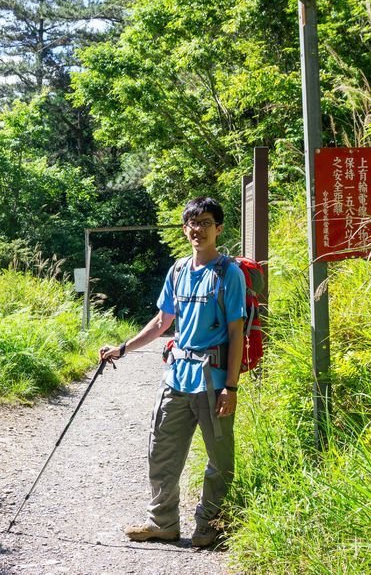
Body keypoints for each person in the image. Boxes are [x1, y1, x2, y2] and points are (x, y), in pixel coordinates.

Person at [100, 196, 246, 548]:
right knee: (161, 452)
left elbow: (237, 332)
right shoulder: (178, 271)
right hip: (177, 378)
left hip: (213, 383)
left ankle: (209, 525)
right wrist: (124, 348)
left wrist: (231, 386)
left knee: (219, 459)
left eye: (206, 223)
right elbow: (162, 321)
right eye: (193, 224)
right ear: (185, 229)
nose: (198, 230)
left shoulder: (230, 274)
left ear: (219, 228)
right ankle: (162, 522)